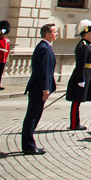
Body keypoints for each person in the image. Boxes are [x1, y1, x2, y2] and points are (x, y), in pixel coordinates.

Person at [22, 23, 57, 155]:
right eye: (54, 32)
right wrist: (45, 89)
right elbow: (43, 71)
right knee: (32, 116)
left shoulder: (46, 46)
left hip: (39, 87)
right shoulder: (43, 48)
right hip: (38, 88)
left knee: (34, 115)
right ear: (47, 34)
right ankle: (28, 146)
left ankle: (29, 144)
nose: (56, 34)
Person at [66, 20, 91, 130]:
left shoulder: (88, 45)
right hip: (82, 76)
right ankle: (74, 124)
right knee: (76, 101)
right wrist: (80, 79)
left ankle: (76, 123)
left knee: (78, 101)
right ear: (86, 34)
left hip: (86, 75)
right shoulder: (83, 46)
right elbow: (80, 64)